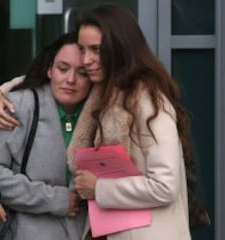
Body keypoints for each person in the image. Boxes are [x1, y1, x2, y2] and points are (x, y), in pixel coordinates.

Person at [68, 4, 209, 240]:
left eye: (96, 49)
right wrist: (0, 93)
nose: (86, 60)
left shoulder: (147, 101)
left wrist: (99, 188)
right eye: (82, 49)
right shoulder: (105, 94)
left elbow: (165, 186)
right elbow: (46, 78)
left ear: (120, 48)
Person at [0, 32, 91, 240]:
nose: (71, 79)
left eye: (83, 72)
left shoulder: (100, 114)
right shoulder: (16, 106)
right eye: (63, 68)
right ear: (49, 69)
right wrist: (54, 200)